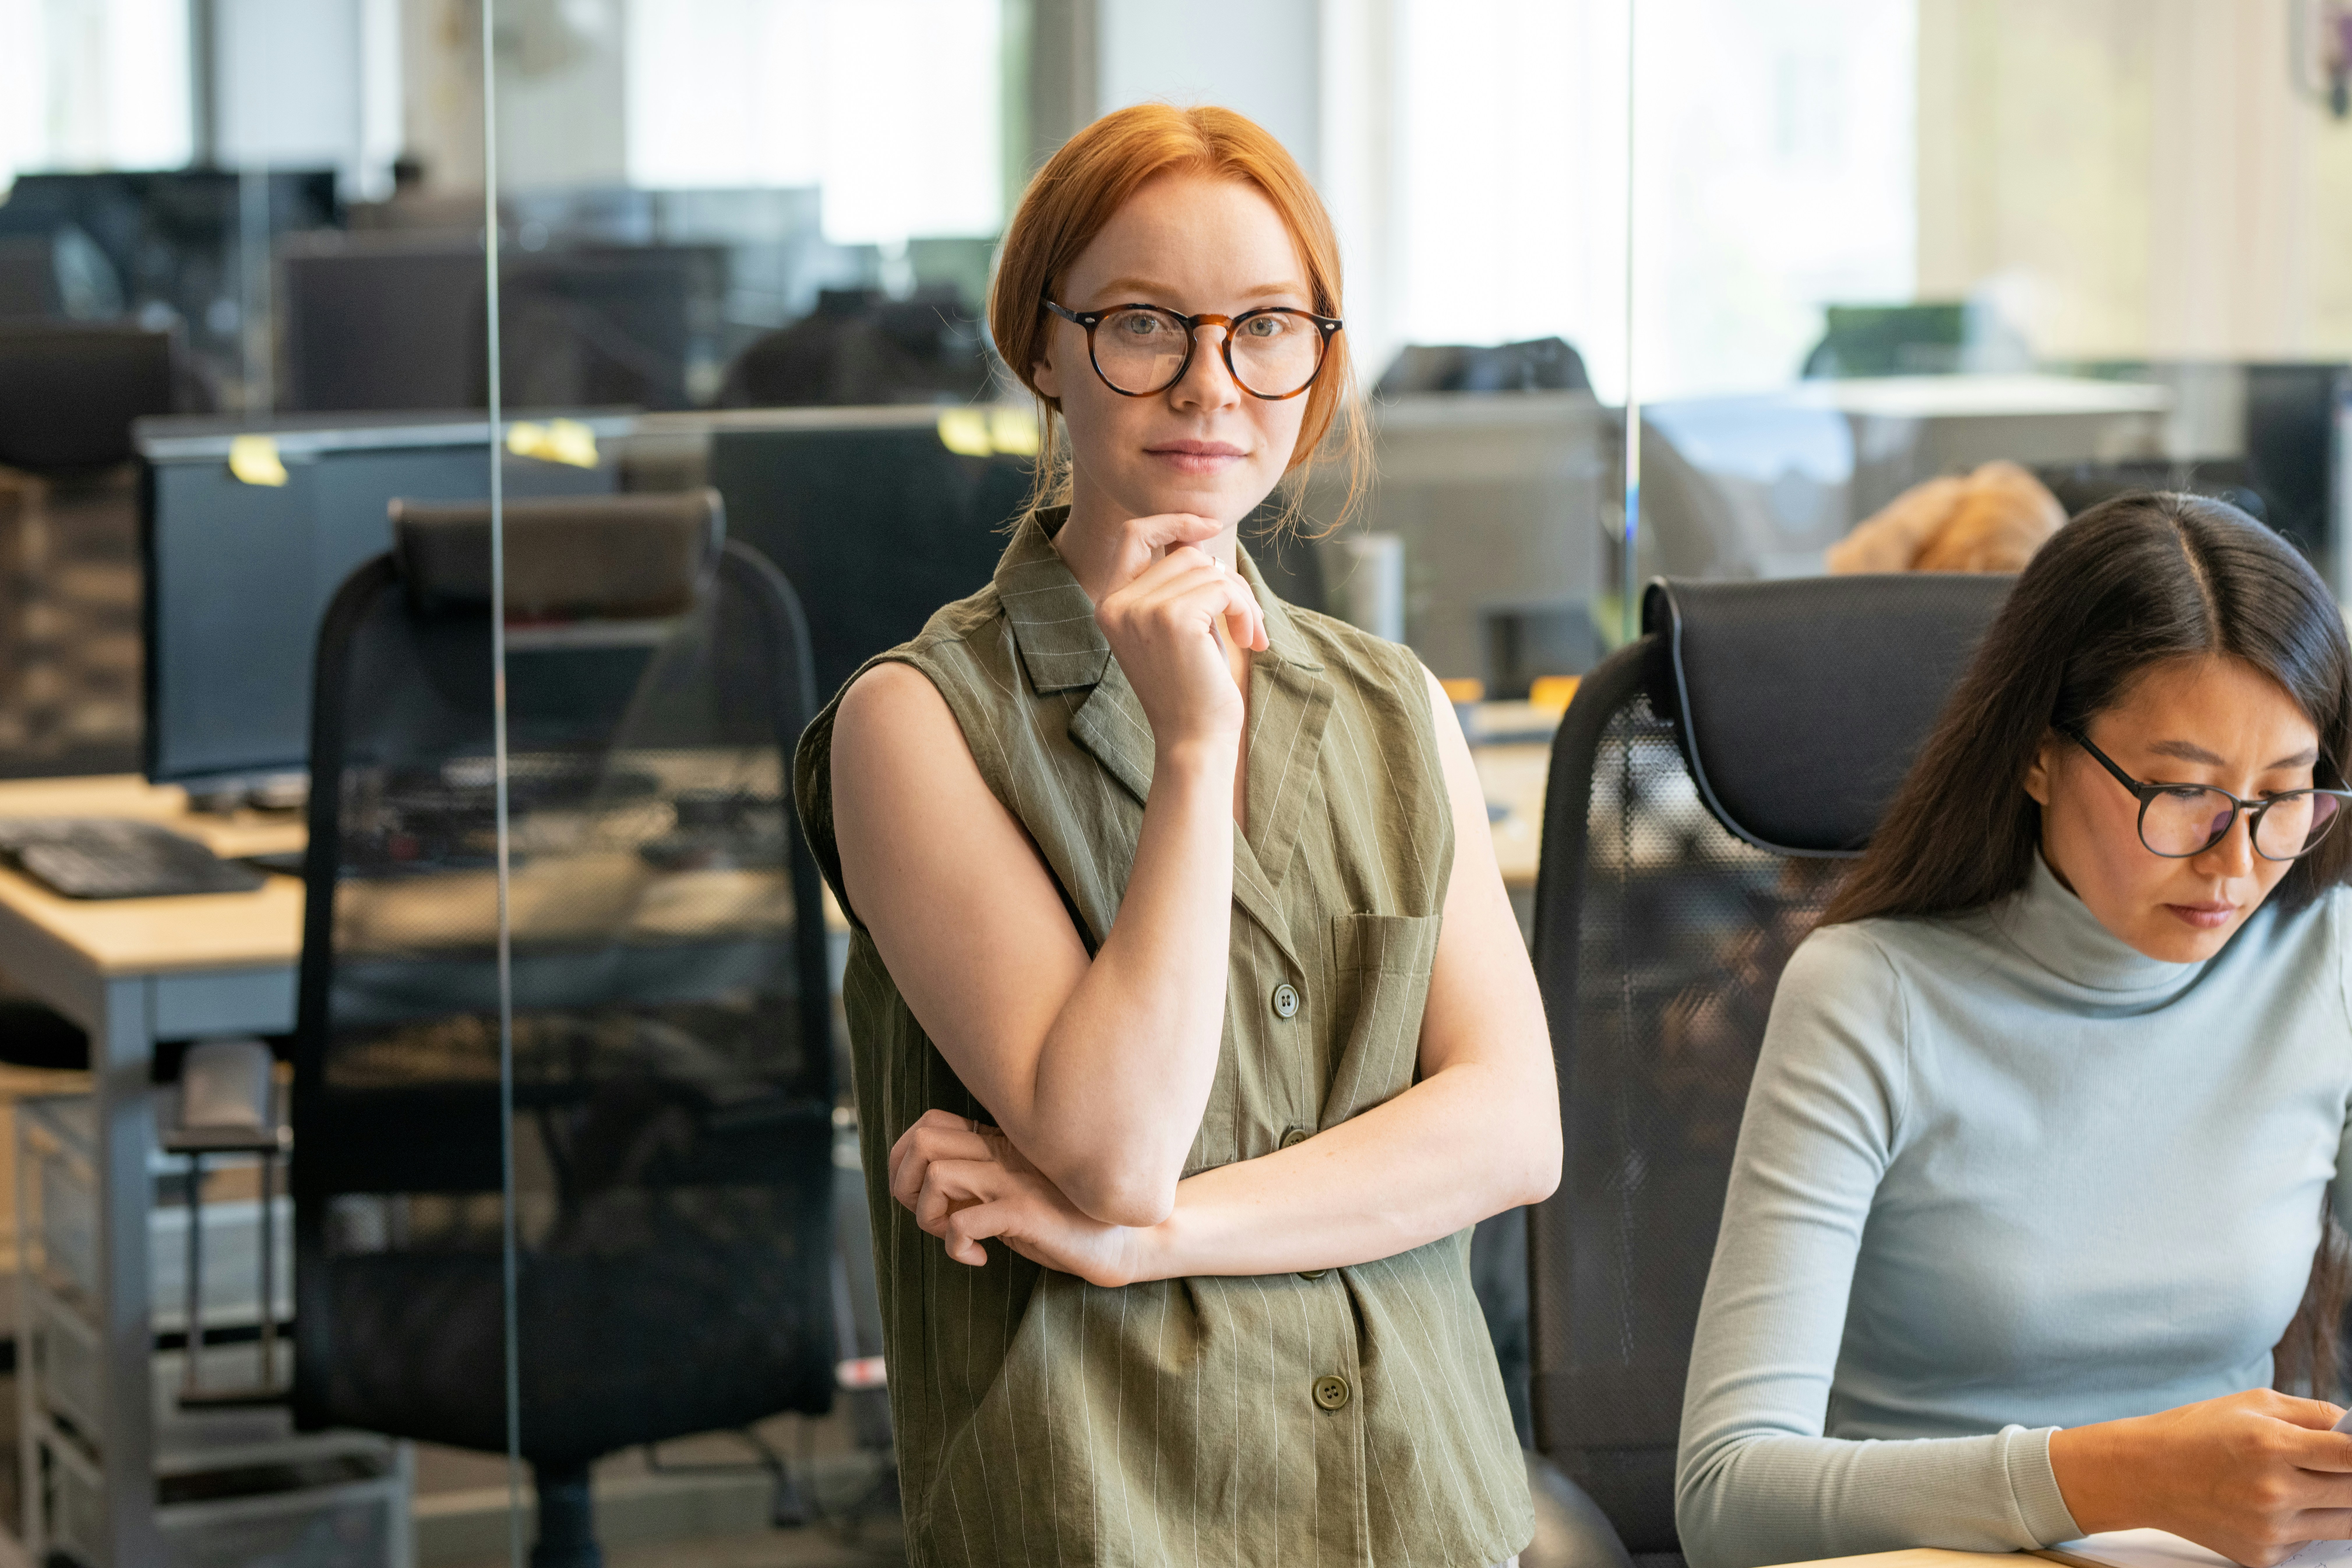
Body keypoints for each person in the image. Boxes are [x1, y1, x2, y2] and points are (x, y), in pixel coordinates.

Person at [792, 103, 1559, 1567]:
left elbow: (1514, 1131)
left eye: (1268, 327)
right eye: (1145, 324)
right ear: (1043, 346)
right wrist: (1198, 744)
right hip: (1121, 1512)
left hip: (1428, 1508)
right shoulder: (921, 722)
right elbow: (1112, 1144)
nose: (1213, 383)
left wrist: (1151, 1244)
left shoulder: (1397, 707)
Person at [1675, 491, 2352, 1568]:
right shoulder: (1868, 995)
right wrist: (2123, 1477)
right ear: (2038, 756)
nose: (2235, 866)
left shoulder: (2323, 957)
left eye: (2283, 796)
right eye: (2181, 794)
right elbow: (1728, 1498)